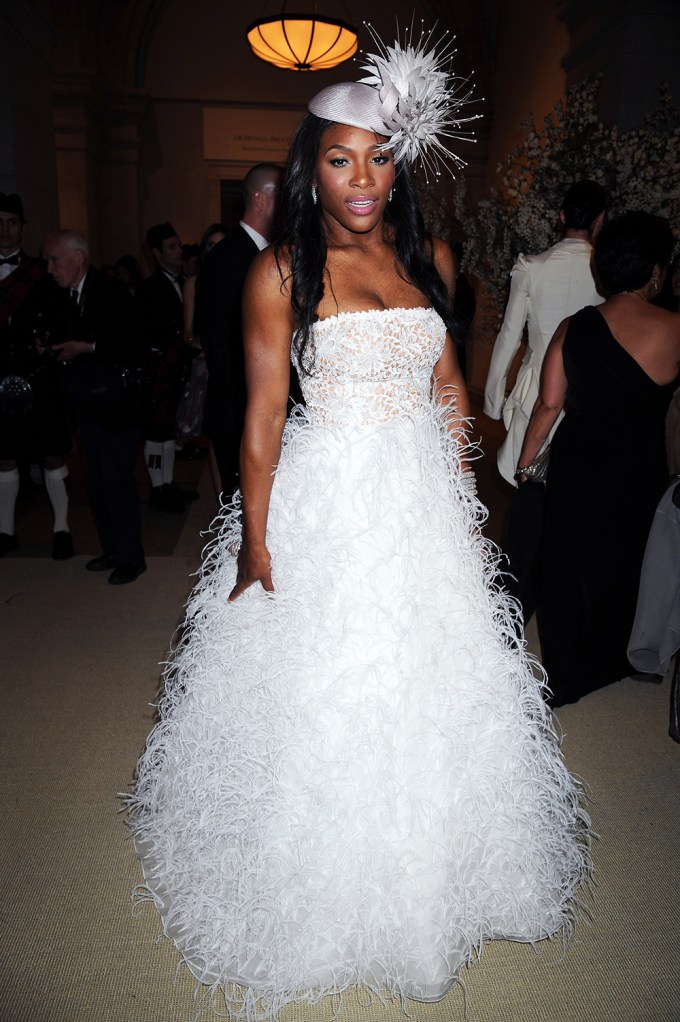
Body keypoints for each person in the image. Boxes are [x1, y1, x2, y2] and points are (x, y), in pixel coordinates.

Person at [129, 29, 591, 1019]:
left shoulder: (429, 253)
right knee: (330, 689)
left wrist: (467, 500)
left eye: (378, 157)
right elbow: (258, 420)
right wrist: (255, 541)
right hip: (328, 492)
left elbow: (448, 386)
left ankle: (437, 877)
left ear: (400, 162)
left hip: (421, 493)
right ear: (312, 169)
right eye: (339, 160)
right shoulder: (278, 275)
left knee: (433, 683)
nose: (361, 178)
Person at [517, 210, 680, 706]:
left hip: (578, 462)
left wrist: (526, 469)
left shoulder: (574, 327)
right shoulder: (674, 328)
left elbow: (548, 406)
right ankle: (619, 655)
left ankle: (564, 668)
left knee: (568, 559)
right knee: (628, 558)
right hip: (639, 467)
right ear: (656, 271)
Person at [484, 180, 606, 621]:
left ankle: (519, 588)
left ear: (560, 216)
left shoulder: (532, 266)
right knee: (574, 493)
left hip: (538, 387)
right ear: (600, 220)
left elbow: (509, 334)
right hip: (589, 391)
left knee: (529, 491)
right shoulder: (607, 270)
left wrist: (495, 398)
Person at [42, 230, 147, 584]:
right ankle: (114, 549)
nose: (50, 267)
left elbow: (133, 344)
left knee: (118, 480)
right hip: (89, 401)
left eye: (55, 260)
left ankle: (133, 558)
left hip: (118, 402)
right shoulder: (64, 294)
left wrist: (86, 347)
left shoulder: (110, 290)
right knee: (99, 483)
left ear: (78, 259)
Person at [195, 165, 282, 500]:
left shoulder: (261, 253)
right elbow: (223, 341)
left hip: (255, 404)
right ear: (260, 199)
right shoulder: (231, 257)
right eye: (282, 198)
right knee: (241, 503)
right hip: (239, 407)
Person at [0, 193, 74, 559]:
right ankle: (5, 530)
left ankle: (62, 528)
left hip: (38, 375)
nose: (5, 230)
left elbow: (62, 320)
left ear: (23, 227)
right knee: (5, 456)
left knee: (52, 454)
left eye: (12, 222)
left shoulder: (40, 273)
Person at [136, 222, 196, 512]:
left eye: (178, 245)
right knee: (156, 430)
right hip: (158, 369)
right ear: (157, 253)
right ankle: (157, 487)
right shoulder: (148, 289)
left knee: (171, 430)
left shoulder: (185, 279)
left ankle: (169, 484)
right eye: (171, 246)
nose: (178, 250)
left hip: (179, 368)